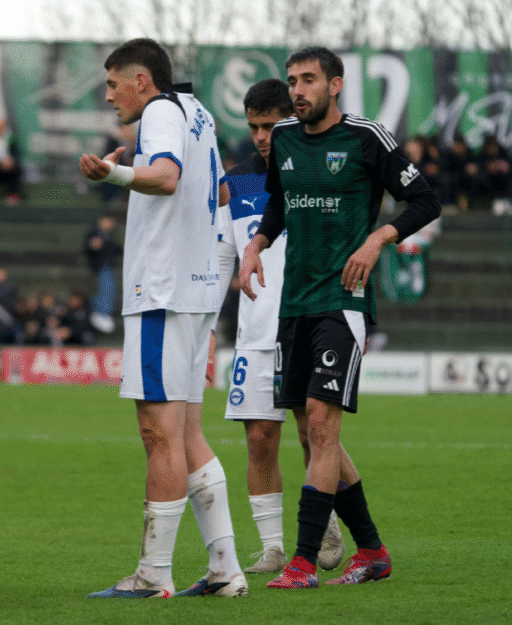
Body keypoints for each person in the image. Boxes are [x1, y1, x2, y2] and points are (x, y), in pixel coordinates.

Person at [238, 46, 440, 588]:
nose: (298, 90)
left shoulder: (367, 137)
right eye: (292, 81)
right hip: (294, 303)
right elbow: (279, 203)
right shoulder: (281, 139)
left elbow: (425, 201)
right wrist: (256, 243)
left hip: (343, 302)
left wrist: (378, 238)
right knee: (311, 431)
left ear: (335, 84)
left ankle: (303, 561)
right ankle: (372, 550)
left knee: (323, 426)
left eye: (308, 80)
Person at [79, 38, 245, 599]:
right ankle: (225, 568)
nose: (108, 97)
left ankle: (153, 574)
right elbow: (219, 191)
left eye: (112, 84)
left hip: (163, 292)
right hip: (195, 291)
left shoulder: (158, 114)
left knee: (159, 435)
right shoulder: (198, 113)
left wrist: (113, 176)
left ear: (141, 81)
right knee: (189, 434)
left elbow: (168, 177)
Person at [215, 79, 345, 575]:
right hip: (254, 333)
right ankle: (272, 547)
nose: (262, 136)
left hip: (309, 324)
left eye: (271, 125)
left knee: (315, 433)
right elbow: (223, 259)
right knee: (259, 440)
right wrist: (208, 330)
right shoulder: (238, 182)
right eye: (253, 127)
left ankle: (324, 520)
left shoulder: (316, 171)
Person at [83, 212, 122, 333]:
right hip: (101, 266)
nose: (110, 224)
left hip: (107, 266)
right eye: (108, 221)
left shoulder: (109, 235)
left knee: (108, 290)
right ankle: (100, 313)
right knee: (107, 290)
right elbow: (92, 246)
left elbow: (116, 249)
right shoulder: (94, 233)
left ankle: (98, 312)